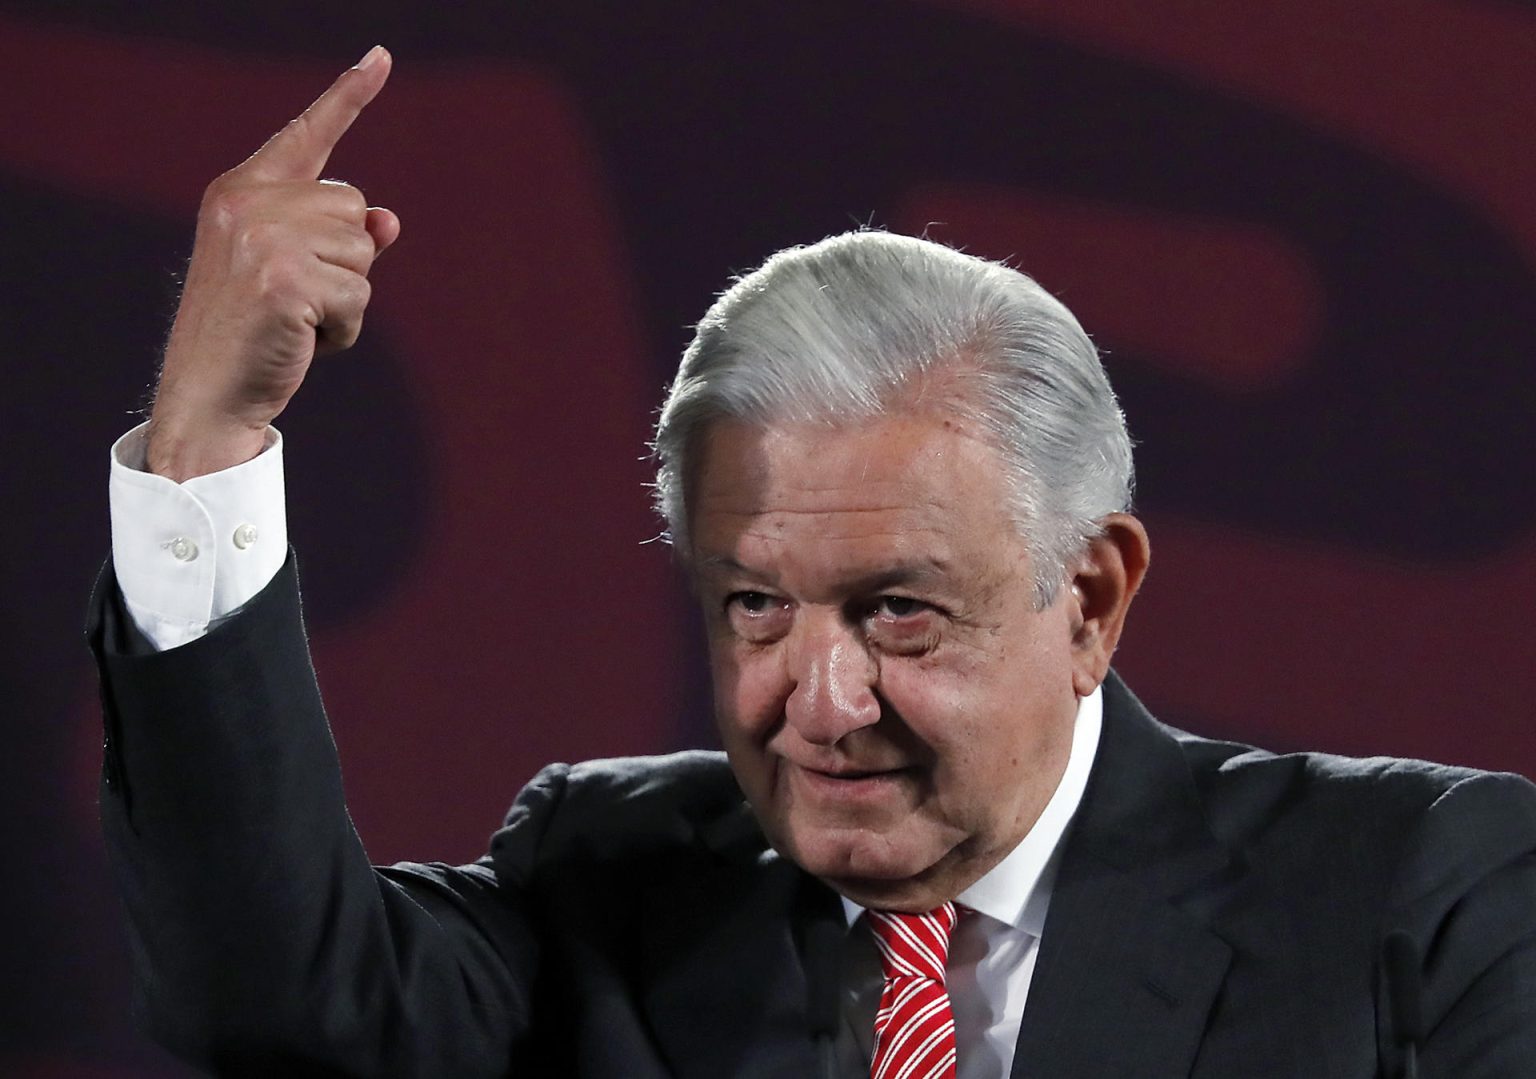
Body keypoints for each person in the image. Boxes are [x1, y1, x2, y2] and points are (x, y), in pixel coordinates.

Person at [90, 48, 1536, 1078]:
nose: (820, 701)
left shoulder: (1424, 897)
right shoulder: (607, 885)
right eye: (755, 607)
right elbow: (264, 1000)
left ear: (1090, 599)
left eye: (901, 611)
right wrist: (207, 442)